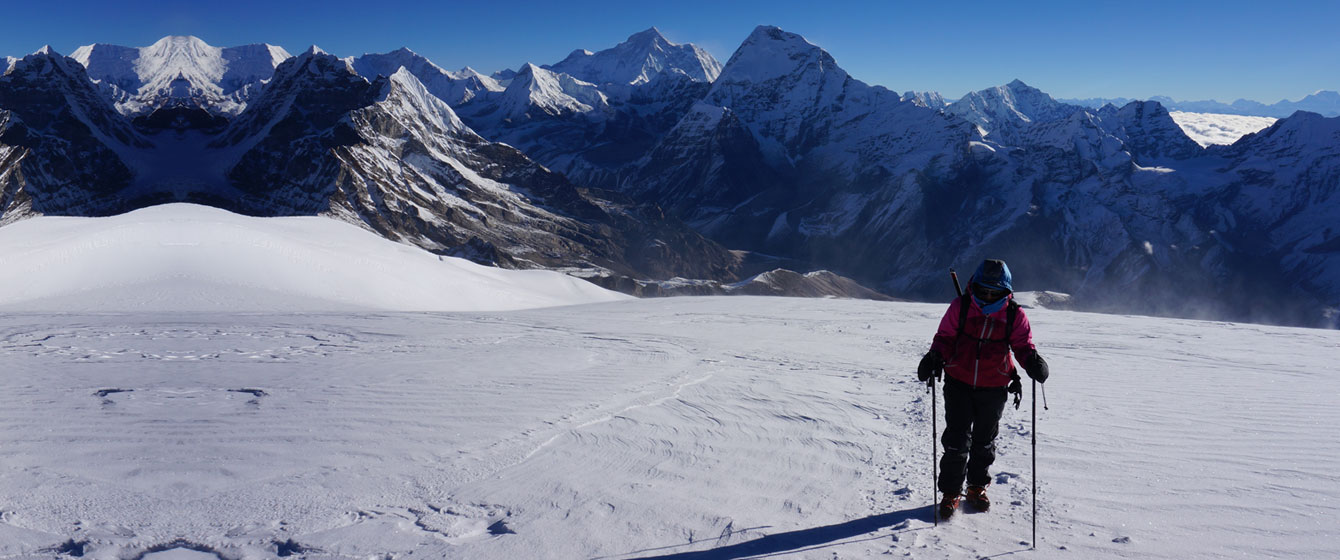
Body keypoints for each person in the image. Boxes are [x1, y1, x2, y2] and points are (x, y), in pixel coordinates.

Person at [916, 259, 1049, 519]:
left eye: (994, 292)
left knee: (984, 442)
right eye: (984, 290)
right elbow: (944, 337)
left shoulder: (1014, 315)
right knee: (956, 441)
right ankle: (951, 492)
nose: (988, 296)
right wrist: (934, 357)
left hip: (994, 385)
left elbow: (1022, 345)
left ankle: (976, 487)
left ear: (1006, 291)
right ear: (974, 286)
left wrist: (1032, 361)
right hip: (958, 382)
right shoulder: (961, 307)